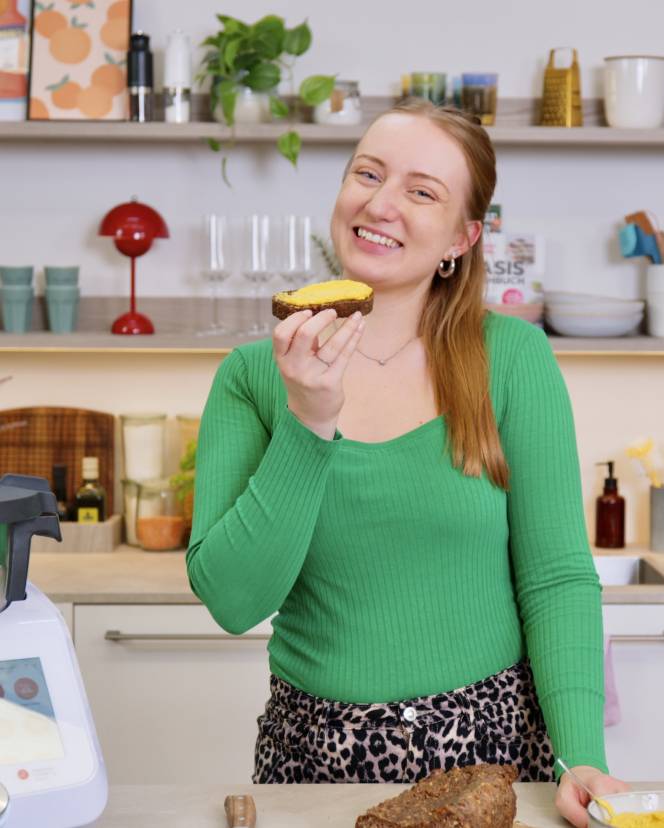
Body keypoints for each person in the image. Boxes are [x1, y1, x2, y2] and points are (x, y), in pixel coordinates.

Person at [186, 98, 628, 827]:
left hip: (488, 755)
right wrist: (310, 423)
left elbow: (555, 578)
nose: (380, 204)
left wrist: (580, 753)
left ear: (462, 235)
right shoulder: (252, 376)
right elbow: (233, 601)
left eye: (421, 191)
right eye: (368, 173)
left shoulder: (512, 360)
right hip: (312, 757)